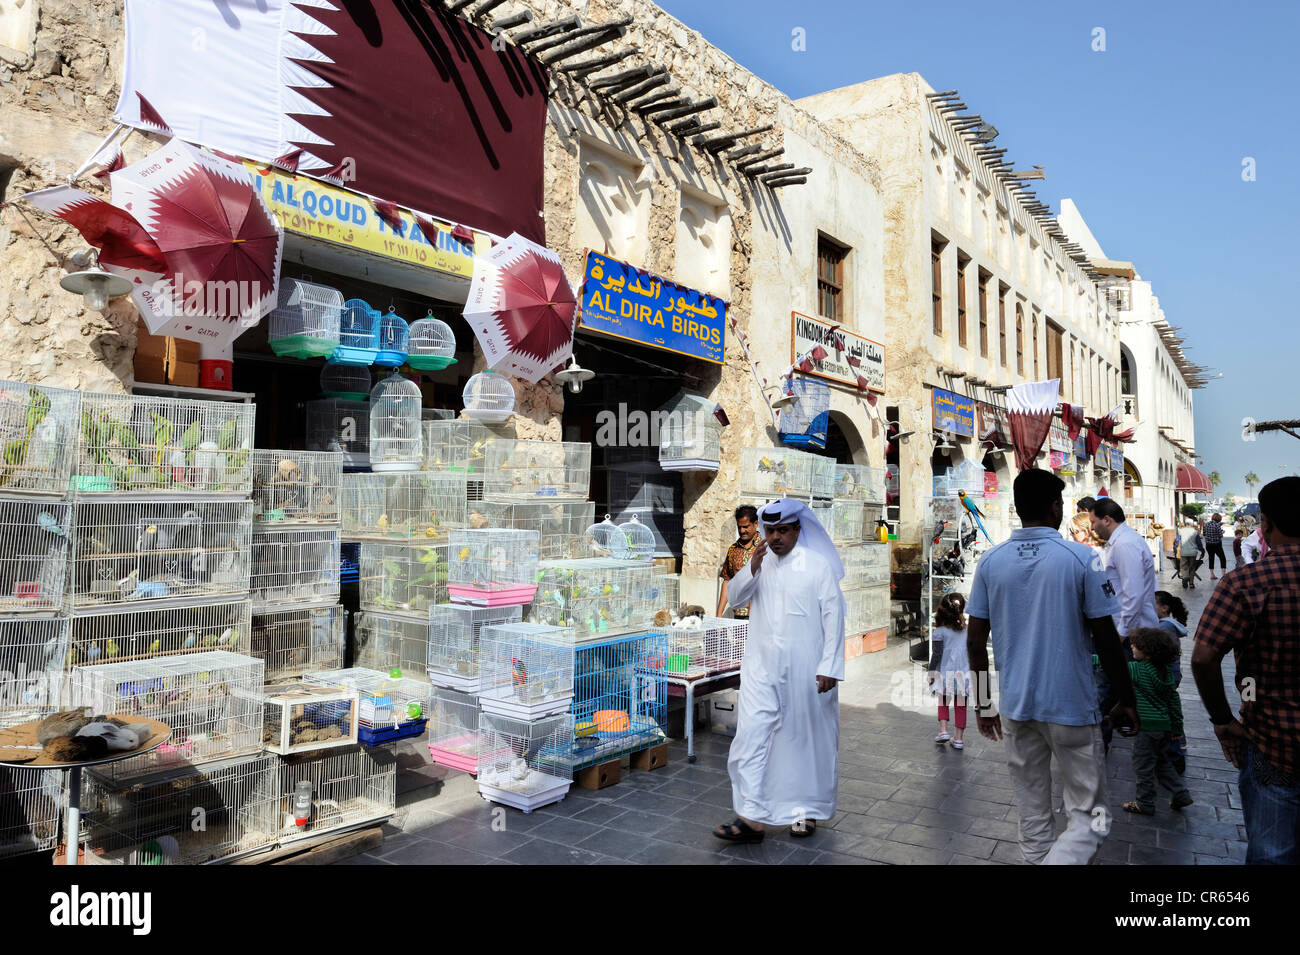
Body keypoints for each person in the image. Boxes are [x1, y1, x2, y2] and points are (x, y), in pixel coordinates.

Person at [967, 469, 1139, 865]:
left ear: (1017, 507)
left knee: (1033, 814)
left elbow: (976, 641)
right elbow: (1107, 639)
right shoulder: (1082, 558)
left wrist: (982, 704)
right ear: (1055, 507)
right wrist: (1126, 696)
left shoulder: (991, 562)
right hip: (1072, 709)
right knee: (1091, 817)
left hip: (1016, 709)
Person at [714, 498, 845, 844]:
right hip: (761, 670)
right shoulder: (761, 563)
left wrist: (830, 666)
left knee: (803, 743)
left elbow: (834, 619)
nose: (775, 538)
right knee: (751, 739)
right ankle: (751, 818)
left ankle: (804, 813)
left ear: (797, 530)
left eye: (782, 531)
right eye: (770, 531)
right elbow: (738, 598)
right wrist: (752, 569)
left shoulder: (818, 567)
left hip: (807, 674)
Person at [1192, 477, 1300, 864]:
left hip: (1274, 745)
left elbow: (1204, 658)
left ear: (1266, 524)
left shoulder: (1246, 583)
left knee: (1273, 854)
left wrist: (1222, 720)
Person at [1122, 627, 1192, 816]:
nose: (1132, 648)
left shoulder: (1137, 670)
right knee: (1162, 763)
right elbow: (1174, 703)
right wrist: (1177, 728)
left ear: (1148, 651)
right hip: (1164, 727)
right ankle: (1180, 793)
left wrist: (1088, 659)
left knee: (1142, 767)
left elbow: (1112, 665)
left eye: (1135, 646)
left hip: (1146, 728)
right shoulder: (1166, 674)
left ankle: (1144, 803)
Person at [1091, 498, 1160, 645]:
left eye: (1093, 522)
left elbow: (1133, 593)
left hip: (1135, 635)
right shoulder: (1121, 541)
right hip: (1131, 632)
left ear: (1107, 520)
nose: (1092, 528)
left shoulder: (1125, 544)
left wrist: (1122, 633)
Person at [927, 592, 971, 751]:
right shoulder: (967, 630)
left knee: (943, 700)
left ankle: (943, 730)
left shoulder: (939, 632)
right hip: (964, 673)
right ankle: (958, 738)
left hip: (945, 672)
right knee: (961, 705)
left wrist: (931, 673)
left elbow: (937, 654)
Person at [717, 505, 760, 619]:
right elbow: (727, 581)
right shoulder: (733, 550)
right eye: (739, 527)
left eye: (746, 527)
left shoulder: (766, 547)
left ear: (755, 524)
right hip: (739, 617)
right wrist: (719, 614)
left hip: (762, 616)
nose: (742, 531)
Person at [1153, 590, 1188, 686]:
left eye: (1152, 604)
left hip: (1167, 676)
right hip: (1170, 674)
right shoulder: (1166, 624)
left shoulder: (1165, 627)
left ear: (1164, 608)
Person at [1176, 518, 1204, 589]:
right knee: (1192, 568)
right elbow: (1199, 543)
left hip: (1183, 552)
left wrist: (1175, 550)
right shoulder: (1195, 532)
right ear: (1191, 524)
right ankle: (1191, 583)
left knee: (1183, 566)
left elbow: (1176, 542)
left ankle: (1185, 577)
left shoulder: (1180, 531)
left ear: (1185, 524)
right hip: (1193, 553)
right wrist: (1202, 551)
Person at [1203, 512, 1227, 579]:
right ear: (1219, 519)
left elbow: (1204, 534)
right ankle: (1223, 575)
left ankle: (1212, 574)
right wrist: (1222, 532)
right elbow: (1220, 535)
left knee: (1211, 558)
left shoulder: (1206, 524)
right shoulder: (1217, 525)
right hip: (1217, 544)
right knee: (1222, 558)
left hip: (1208, 545)